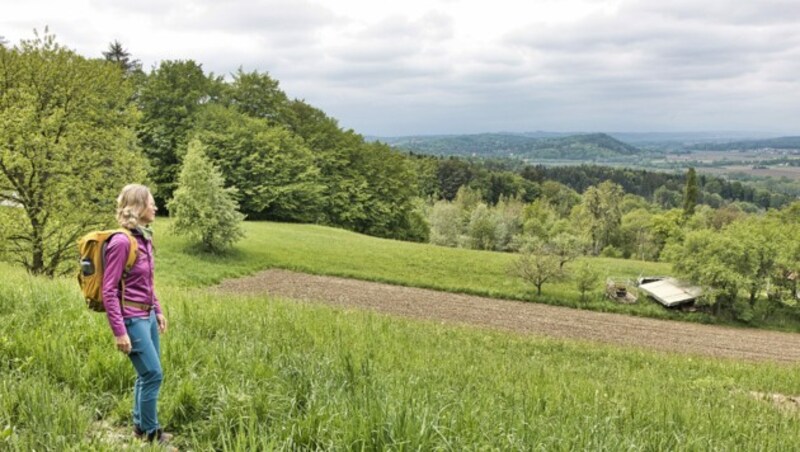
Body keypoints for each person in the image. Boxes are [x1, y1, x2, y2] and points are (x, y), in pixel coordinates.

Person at [102, 184, 172, 444]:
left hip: (148, 315)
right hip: (132, 318)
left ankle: (140, 427)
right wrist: (119, 332)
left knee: (147, 375)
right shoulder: (122, 242)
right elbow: (108, 290)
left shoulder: (144, 238)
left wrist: (159, 310)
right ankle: (152, 435)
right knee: (153, 374)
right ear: (139, 207)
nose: (155, 207)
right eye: (151, 203)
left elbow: (147, 282)